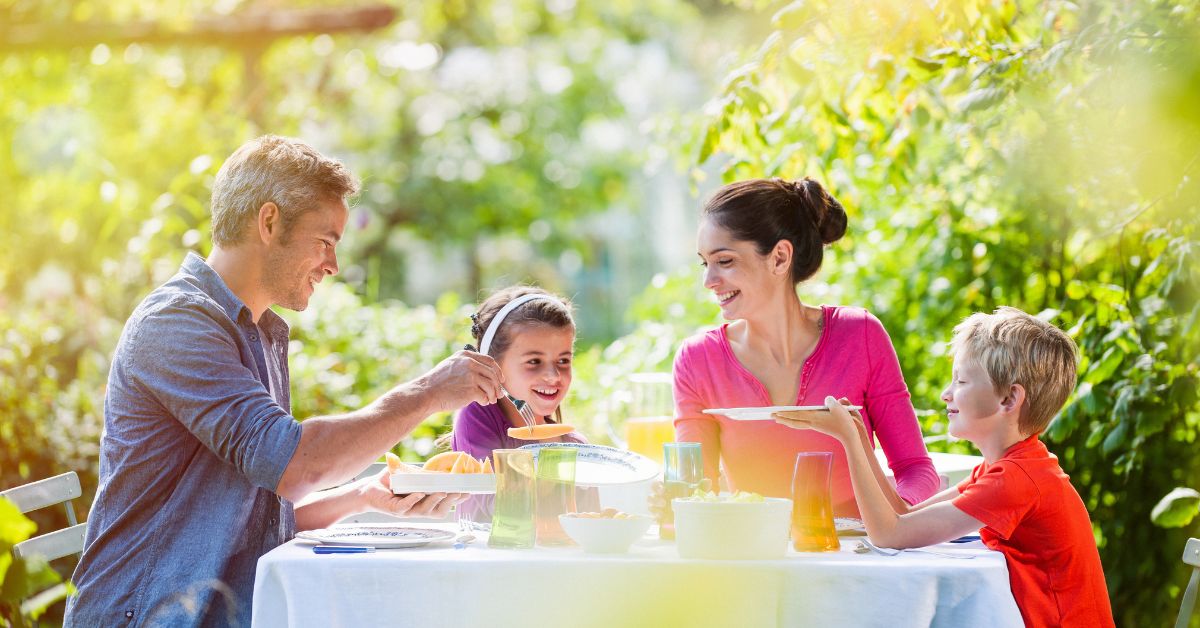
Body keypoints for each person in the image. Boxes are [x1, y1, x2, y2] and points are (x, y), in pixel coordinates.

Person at [65, 136, 503, 627]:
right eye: (326, 241)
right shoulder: (177, 325)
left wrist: (363, 496)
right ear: (269, 222)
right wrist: (431, 392)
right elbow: (297, 465)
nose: (333, 265)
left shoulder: (257, 333)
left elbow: (255, 516)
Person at [775, 308, 1114, 626]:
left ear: (1009, 399)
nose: (945, 394)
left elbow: (890, 535)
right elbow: (902, 515)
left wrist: (846, 441)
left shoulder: (1015, 480)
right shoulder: (1008, 467)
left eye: (961, 382)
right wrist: (862, 438)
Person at [671, 177, 939, 515]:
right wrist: (674, 503)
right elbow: (696, 489)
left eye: (724, 261)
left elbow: (916, 469)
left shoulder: (861, 337)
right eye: (704, 263)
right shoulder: (698, 361)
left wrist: (897, 516)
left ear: (780, 258)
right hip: (756, 559)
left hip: (862, 557)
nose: (709, 281)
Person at [450, 286, 587, 457]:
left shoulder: (576, 446)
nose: (553, 376)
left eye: (563, 360)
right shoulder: (477, 415)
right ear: (491, 365)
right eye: (534, 361)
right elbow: (491, 482)